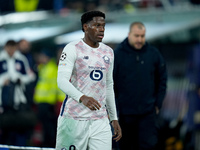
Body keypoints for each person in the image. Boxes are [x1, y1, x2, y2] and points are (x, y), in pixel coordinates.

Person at [55, 10, 122, 150]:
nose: (102, 29)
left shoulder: (108, 52)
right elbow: (61, 81)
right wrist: (82, 97)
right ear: (85, 27)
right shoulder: (72, 48)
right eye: (97, 25)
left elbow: (109, 86)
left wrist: (113, 117)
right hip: (74, 118)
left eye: (103, 26)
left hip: (100, 120)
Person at [113, 22, 167, 150]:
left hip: (147, 114)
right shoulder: (118, 55)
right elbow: (110, 84)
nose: (139, 39)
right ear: (129, 35)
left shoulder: (153, 54)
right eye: (136, 36)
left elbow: (162, 79)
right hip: (124, 115)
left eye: (142, 36)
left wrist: (158, 104)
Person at [0, 40, 36, 145]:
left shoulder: (21, 59)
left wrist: (20, 79)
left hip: (19, 100)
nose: (11, 50)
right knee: (5, 132)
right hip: (4, 101)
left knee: (20, 129)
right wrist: (3, 81)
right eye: (9, 48)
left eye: (13, 48)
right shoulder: (1, 60)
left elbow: (30, 76)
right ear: (5, 47)